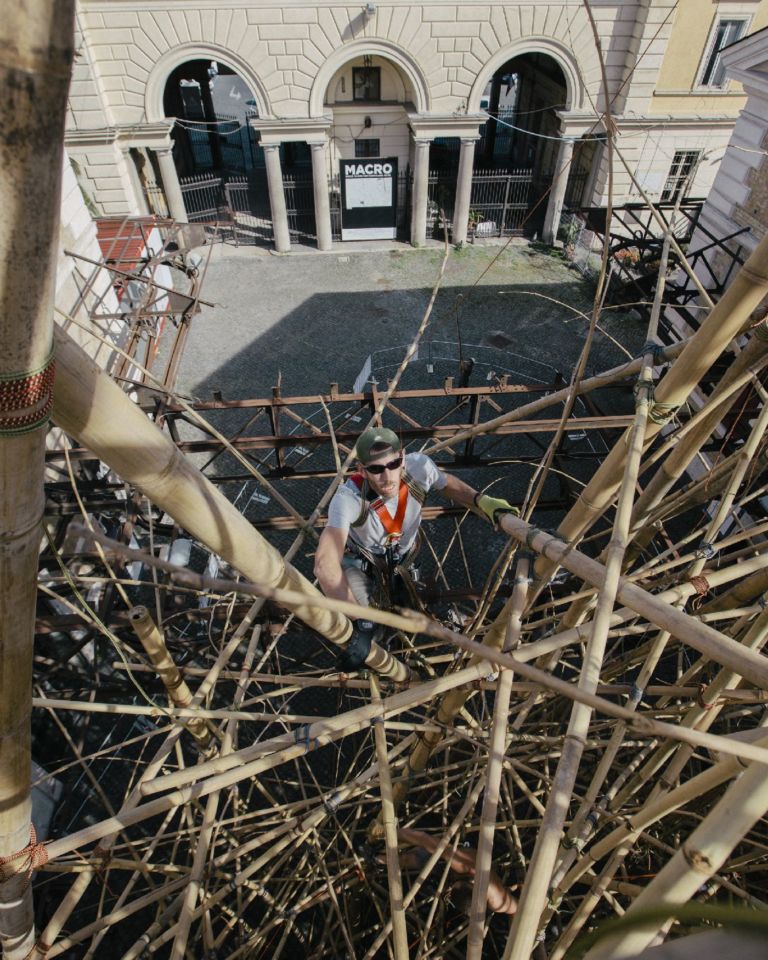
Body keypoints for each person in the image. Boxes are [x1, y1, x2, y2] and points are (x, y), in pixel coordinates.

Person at [314, 426, 517, 670]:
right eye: (376, 469)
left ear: (403, 458)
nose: (387, 476)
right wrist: (362, 623)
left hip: (403, 560)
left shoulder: (419, 468)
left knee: (406, 606)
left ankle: (393, 630)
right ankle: (379, 649)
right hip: (364, 562)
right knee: (366, 625)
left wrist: (480, 500)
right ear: (361, 470)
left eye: (393, 464)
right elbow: (325, 567)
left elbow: (446, 483)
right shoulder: (348, 499)